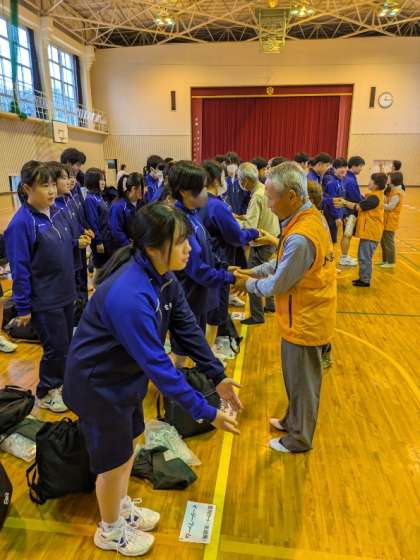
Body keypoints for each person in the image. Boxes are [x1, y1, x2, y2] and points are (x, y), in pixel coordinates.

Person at [63, 202, 242, 556]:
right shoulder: (129, 295)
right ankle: (110, 530)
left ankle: (120, 507)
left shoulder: (162, 277)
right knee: (112, 463)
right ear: (153, 248)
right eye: (181, 242)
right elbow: (159, 367)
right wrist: (205, 411)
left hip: (122, 381)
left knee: (129, 446)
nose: (189, 248)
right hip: (98, 387)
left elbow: (187, 328)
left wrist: (218, 375)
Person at [233, 161, 336, 452]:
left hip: (306, 320)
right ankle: (292, 420)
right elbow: (281, 263)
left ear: (291, 196)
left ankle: (299, 438)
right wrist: (250, 272)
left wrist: (246, 284)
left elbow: (278, 284)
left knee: (303, 384)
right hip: (299, 316)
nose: (268, 203)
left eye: (271, 197)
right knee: (295, 379)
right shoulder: (306, 220)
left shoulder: (302, 236)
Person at [4, 161, 76, 412]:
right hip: (45, 300)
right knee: (55, 348)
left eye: (52, 184)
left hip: (65, 294)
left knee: (66, 345)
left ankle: (63, 384)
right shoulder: (21, 224)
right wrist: (23, 307)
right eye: (44, 186)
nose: (52, 190)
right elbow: (20, 269)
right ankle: (46, 391)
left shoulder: (56, 212)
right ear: (27, 189)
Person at [168, 161, 237, 364]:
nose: (207, 192)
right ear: (185, 192)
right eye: (202, 188)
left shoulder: (193, 214)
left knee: (192, 348)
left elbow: (207, 250)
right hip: (186, 296)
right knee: (180, 354)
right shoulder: (180, 221)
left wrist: (224, 267)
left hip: (197, 296)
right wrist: (229, 277)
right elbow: (196, 268)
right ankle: (172, 384)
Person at [199, 160, 262, 354]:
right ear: (216, 179)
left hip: (204, 260)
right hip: (218, 260)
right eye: (223, 176)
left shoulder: (199, 202)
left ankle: (209, 348)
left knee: (206, 308)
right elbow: (236, 236)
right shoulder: (217, 206)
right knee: (216, 310)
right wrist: (255, 232)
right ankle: (210, 354)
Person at [236, 162, 280, 325]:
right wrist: (241, 217)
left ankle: (257, 315)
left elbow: (250, 226)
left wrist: (232, 221)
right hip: (272, 236)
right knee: (268, 273)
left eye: (240, 180)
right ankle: (271, 304)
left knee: (253, 276)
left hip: (261, 242)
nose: (240, 183)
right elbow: (257, 216)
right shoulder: (264, 189)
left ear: (245, 180)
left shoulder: (256, 196)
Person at [334, 172, 386, 287]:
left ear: (376, 184)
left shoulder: (375, 198)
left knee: (365, 257)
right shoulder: (374, 195)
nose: (369, 182)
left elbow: (358, 207)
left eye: (371, 181)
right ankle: (363, 278)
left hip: (371, 233)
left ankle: (365, 280)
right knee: (363, 256)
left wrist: (344, 203)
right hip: (369, 232)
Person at [60, 148, 91, 302]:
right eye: (77, 164)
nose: (79, 169)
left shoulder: (76, 186)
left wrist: (84, 229)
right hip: (70, 245)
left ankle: (84, 304)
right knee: (74, 279)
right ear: (67, 163)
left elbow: (80, 211)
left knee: (82, 274)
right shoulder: (60, 198)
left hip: (80, 239)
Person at [339, 155, 365, 267]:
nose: (361, 169)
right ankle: (344, 258)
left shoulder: (349, 177)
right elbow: (355, 197)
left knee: (347, 234)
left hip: (347, 210)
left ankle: (345, 256)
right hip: (348, 211)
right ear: (354, 166)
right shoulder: (350, 179)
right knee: (347, 234)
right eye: (360, 166)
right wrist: (364, 201)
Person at [85, 168, 113, 269]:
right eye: (100, 179)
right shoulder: (90, 199)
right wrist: (98, 241)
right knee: (101, 268)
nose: (103, 182)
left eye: (104, 179)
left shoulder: (99, 196)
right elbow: (92, 222)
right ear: (93, 181)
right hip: (100, 241)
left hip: (107, 238)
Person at [110, 172, 145, 250]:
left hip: (136, 246)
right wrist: (129, 245)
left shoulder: (141, 202)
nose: (146, 190)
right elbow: (116, 231)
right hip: (123, 249)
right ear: (134, 189)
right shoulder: (118, 206)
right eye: (143, 188)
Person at [379, 171, 404, 268]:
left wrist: (378, 205)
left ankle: (391, 262)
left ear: (394, 179)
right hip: (385, 219)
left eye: (388, 178)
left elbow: (390, 207)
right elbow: (385, 200)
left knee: (388, 241)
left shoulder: (397, 192)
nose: (387, 179)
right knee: (383, 241)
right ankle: (385, 260)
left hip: (391, 220)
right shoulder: (391, 189)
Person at [322, 158, 347, 246]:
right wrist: (337, 217)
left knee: (333, 240)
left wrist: (343, 215)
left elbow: (342, 200)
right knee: (330, 240)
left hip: (338, 214)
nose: (343, 169)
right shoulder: (332, 183)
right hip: (331, 215)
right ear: (334, 169)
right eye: (340, 167)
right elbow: (333, 201)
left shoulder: (341, 181)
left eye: (345, 167)